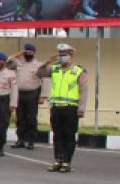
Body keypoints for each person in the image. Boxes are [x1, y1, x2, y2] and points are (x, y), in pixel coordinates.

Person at [37, 43, 88, 173]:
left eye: (64, 55)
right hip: (56, 107)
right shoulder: (54, 68)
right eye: (60, 55)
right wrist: (48, 61)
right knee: (57, 135)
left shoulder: (79, 71)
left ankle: (66, 162)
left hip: (71, 108)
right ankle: (57, 160)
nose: (61, 57)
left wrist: (81, 108)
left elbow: (83, 91)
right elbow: (39, 72)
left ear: (71, 56)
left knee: (69, 136)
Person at [8, 43, 46, 149]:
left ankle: (31, 140)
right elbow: (8, 63)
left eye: (30, 51)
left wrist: (43, 96)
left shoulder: (38, 65)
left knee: (31, 118)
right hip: (20, 93)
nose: (28, 53)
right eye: (26, 51)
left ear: (34, 53)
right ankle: (20, 139)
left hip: (33, 93)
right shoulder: (18, 63)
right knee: (20, 117)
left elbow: (45, 80)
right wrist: (18, 54)